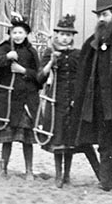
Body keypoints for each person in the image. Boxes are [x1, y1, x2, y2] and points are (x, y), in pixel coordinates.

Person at [71, 0, 112, 194]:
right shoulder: (92, 43)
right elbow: (83, 74)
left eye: (105, 14)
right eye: (99, 15)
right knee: (104, 142)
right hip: (99, 101)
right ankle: (106, 181)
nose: (101, 19)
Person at [37, 14, 100, 188]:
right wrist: (51, 63)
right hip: (55, 101)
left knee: (71, 139)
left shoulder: (78, 55)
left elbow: (83, 78)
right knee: (58, 138)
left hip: (73, 101)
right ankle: (58, 175)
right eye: (62, 34)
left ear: (72, 37)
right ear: (57, 35)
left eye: (68, 35)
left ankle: (67, 174)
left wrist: (77, 99)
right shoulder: (50, 53)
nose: (65, 38)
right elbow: (40, 78)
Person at [0, 14, 40, 180]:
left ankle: (29, 170)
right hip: (8, 101)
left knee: (27, 140)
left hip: (26, 100)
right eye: (14, 32)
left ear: (26, 34)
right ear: (10, 34)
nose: (17, 36)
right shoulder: (4, 48)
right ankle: (3, 170)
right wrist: (7, 57)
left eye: (20, 32)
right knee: (7, 139)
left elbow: (39, 77)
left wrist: (23, 71)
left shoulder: (31, 52)